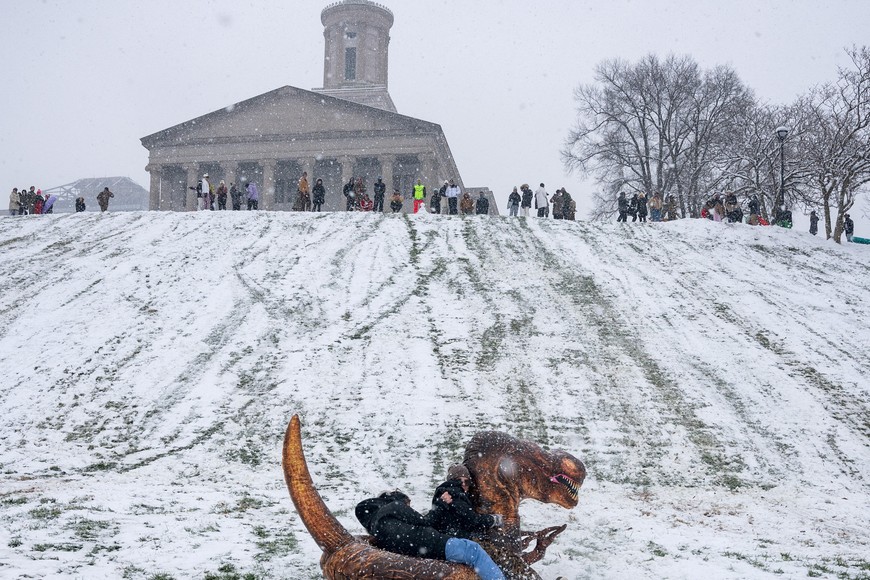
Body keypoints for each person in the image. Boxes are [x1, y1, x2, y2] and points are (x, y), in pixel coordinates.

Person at [355, 490, 505, 580]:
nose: (409, 507)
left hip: (418, 552)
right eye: (408, 504)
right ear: (397, 498)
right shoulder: (394, 506)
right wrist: (441, 503)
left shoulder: (376, 525)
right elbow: (426, 521)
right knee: (473, 550)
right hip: (429, 544)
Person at [428, 465, 503, 540]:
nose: (463, 484)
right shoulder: (454, 494)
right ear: (451, 480)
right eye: (459, 480)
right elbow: (473, 520)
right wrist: (494, 519)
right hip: (455, 539)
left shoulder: (443, 492)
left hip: (447, 537)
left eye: (467, 481)